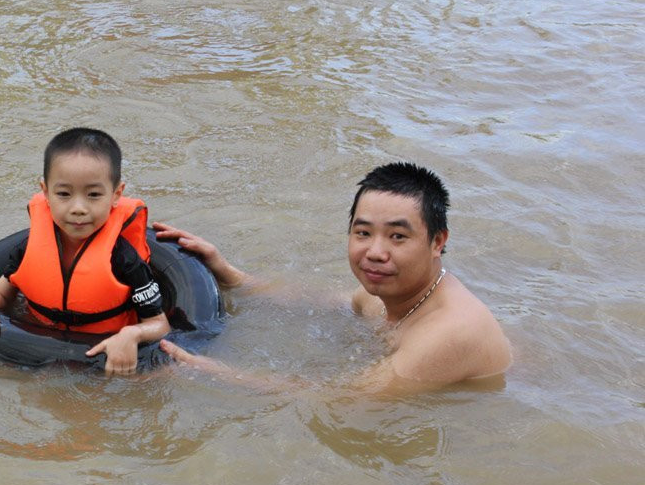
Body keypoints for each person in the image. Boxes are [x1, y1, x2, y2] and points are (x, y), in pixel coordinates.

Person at [154, 162, 512, 393]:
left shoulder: (450, 332)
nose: (375, 251)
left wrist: (213, 371)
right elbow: (319, 302)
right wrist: (229, 273)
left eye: (398, 237)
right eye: (363, 233)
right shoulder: (387, 289)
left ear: (438, 242)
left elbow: (344, 399)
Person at [0, 128, 171, 376]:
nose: (78, 208)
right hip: (34, 355)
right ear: (45, 192)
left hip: (101, 362)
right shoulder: (28, 248)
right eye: (63, 194)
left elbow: (160, 324)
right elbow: (1, 293)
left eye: (93, 195)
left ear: (116, 195)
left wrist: (133, 334)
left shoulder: (124, 259)